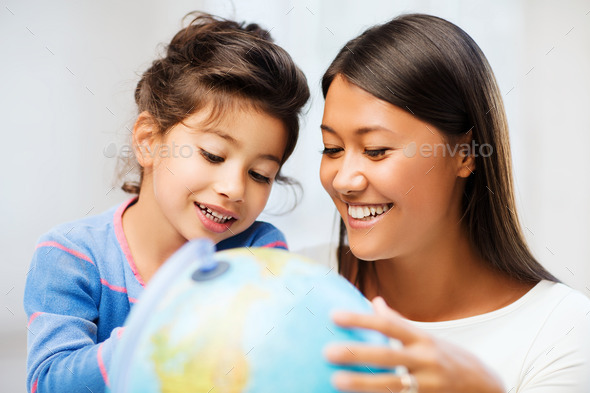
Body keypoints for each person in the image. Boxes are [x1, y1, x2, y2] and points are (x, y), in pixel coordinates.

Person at [24, 13, 309, 393]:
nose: (235, 188)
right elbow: (50, 383)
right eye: (213, 155)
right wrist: (166, 325)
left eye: (260, 174)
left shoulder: (258, 251)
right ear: (148, 141)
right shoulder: (70, 256)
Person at [319, 14, 590, 393]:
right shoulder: (287, 282)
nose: (344, 180)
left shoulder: (561, 330)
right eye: (332, 148)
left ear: (465, 154)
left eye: (376, 151)